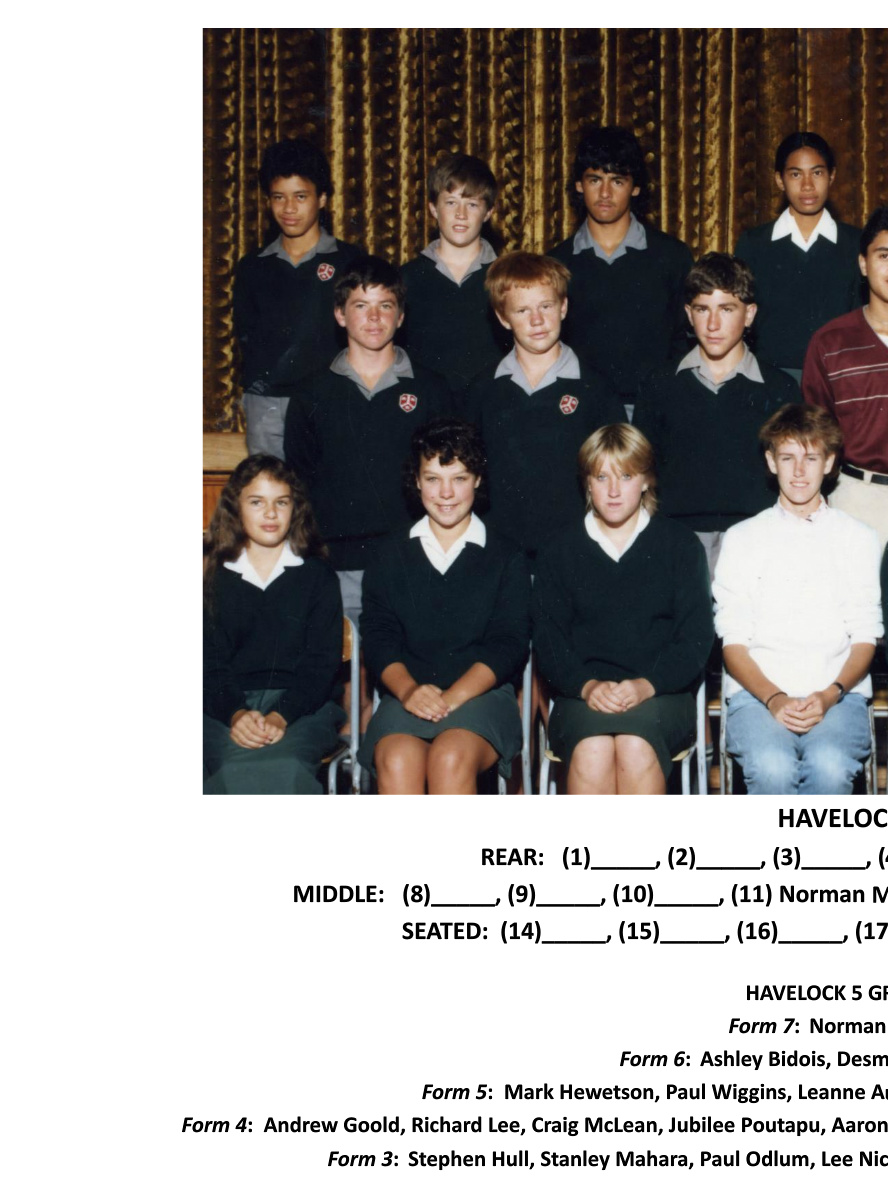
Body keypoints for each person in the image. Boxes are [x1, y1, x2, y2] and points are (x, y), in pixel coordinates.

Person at [533, 424, 714, 795]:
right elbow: (549, 641)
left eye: (627, 476)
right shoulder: (559, 550)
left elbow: (695, 638)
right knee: (593, 748)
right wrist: (586, 686)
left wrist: (647, 685)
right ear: (587, 482)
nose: (613, 491)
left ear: (646, 480)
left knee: (634, 744)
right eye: (602, 477)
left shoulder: (681, 546)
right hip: (581, 695)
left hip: (661, 693)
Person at [713, 405, 882, 795]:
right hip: (758, 696)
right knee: (772, 769)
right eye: (788, 458)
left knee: (830, 765)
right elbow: (733, 642)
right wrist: (774, 698)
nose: (799, 471)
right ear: (771, 462)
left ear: (830, 463)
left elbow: (865, 636)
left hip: (838, 695)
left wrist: (829, 694)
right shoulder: (742, 538)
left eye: (811, 458)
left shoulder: (858, 538)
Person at [358, 419, 530, 794]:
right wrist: (408, 692)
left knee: (449, 757)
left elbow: (509, 642)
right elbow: (378, 636)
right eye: (433, 478)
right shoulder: (389, 554)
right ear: (417, 481)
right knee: (397, 758)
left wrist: (452, 698)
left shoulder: (506, 556)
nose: (446, 493)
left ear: (478, 479)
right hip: (408, 694)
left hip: (480, 696)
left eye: (459, 478)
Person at [284, 255, 452, 623]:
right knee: (343, 655)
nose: (374, 317)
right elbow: (300, 480)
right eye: (361, 305)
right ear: (340, 314)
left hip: (415, 559)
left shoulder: (432, 389)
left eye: (385, 306)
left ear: (401, 316)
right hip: (337, 563)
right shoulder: (311, 394)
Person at [634, 252, 799, 578]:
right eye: (702, 309)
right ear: (688, 314)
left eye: (726, 309)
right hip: (677, 538)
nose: (712, 324)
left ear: (749, 314)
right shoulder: (659, 384)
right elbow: (642, 472)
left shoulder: (780, 388)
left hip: (756, 537)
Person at [462, 251, 624, 563]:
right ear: (503, 318)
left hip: (576, 553)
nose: (537, 320)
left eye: (546, 306)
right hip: (500, 555)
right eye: (522, 310)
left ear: (563, 307)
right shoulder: (482, 391)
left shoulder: (596, 389)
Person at [203, 455, 345, 795]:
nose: (270, 513)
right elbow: (209, 663)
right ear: (236, 507)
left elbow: (321, 665)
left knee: (286, 764)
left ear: (294, 509)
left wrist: (282, 715)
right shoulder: (214, 576)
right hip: (225, 705)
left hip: (302, 707)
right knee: (232, 766)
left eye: (281, 502)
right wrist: (236, 714)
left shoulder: (317, 576)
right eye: (257, 502)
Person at [549, 126, 693, 415]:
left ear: (635, 187)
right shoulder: (556, 263)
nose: (605, 193)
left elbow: (687, 339)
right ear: (579, 185)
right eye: (595, 179)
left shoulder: (672, 256)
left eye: (617, 181)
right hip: (580, 411)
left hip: (654, 411)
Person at [233, 138, 362, 456]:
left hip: (330, 401)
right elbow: (245, 337)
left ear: (322, 198)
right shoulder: (253, 266)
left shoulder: (350, 262)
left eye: (300, 196)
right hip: (267, 406)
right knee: (270, 486)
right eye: (279, 197)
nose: (289, 209)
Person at [734, 132, 861, 380]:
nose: (807, 185)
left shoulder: (856, 243)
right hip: (769, 380)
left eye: (817, 173)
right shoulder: (754, 243)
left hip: (839, 379)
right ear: (779, 180)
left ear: (832, 176)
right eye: (795, 174)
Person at [802, 206, 888, 549]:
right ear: (864, 264)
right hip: (857, 497)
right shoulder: (831, 341)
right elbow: (816, 433)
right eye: (884, 256)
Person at [398, 153, 509, 393]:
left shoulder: (508, 278)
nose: (461, 214)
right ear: (433, 208)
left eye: (472, 204)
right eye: (451, 202)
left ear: (488, 212)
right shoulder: (404, 278)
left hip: (491, 405)